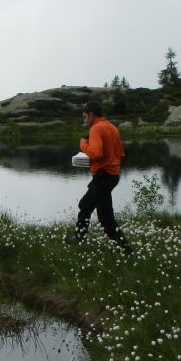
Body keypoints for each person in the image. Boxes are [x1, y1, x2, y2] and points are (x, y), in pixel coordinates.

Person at [70, 101, 130, 252]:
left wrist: (83, 145)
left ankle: (126, 250)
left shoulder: (96, 128)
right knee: (87, 206)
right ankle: (79, 237)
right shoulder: (112, 127)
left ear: (91, 114)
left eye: (84, 117)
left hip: (103, 176)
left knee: (103, 217)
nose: (84, 120)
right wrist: (104, 163)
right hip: (111, 176)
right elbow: (121, 154)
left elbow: (96, 153)